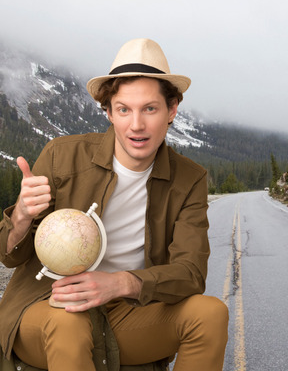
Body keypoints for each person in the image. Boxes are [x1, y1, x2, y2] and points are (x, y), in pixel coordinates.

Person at [0, 38, 228, 371]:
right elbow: (9, 256)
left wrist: (122, 283)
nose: (136, 125)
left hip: (127, 312)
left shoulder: (190, 179)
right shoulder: (61, 154)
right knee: (69, 325)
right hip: (47, 305)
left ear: (172, 110)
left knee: (210, 314)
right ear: (108, 111)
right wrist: (20, 215)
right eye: (124, 109)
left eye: (150, 108)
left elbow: (191, 274)